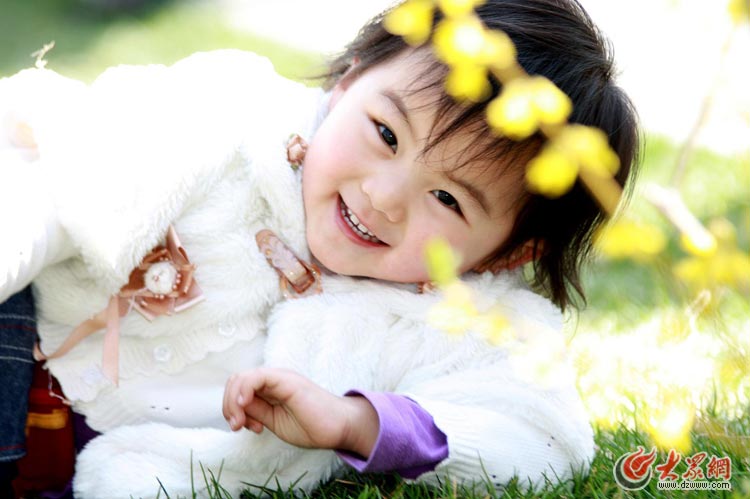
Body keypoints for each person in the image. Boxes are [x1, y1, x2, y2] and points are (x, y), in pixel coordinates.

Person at [0, 0, 638, 497]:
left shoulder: (464, 319)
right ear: (348, 81)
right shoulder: (232, 118)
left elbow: (546, 439)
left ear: (508, 254)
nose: (383, 197)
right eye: (385, 133)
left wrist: (355, 423)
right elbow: (61, 191)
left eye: (448, 200)